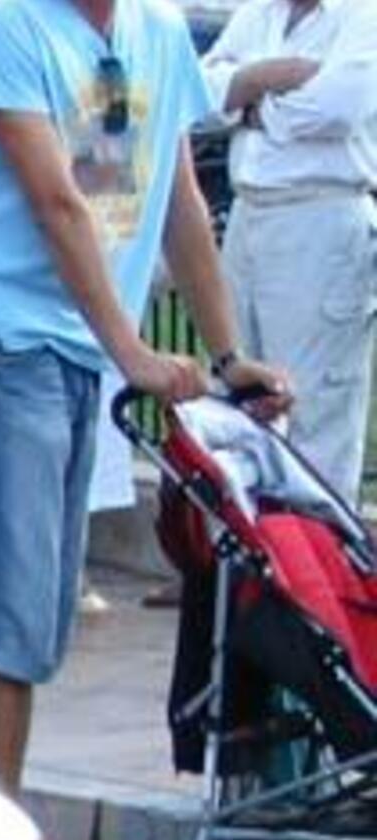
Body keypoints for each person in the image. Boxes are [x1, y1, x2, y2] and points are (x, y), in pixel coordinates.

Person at [0, 0, 290, 840]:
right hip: (3, 340)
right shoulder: (9, 30)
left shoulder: (158, 33)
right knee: (12, 614)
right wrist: (131, 347)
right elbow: (55, 199)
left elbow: (178, 201)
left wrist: (225, 355)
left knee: (42, 613)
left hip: (77, 351)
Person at [203, 0, 377, 498]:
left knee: (312, 415)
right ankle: (247, 566)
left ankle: (316, 565)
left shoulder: (363, 16)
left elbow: (337, 109)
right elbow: (200, 93)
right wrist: (272, 76)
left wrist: (248, 101)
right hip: (248, 212)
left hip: (320, 218)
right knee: (236, 405)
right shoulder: (257, 15)